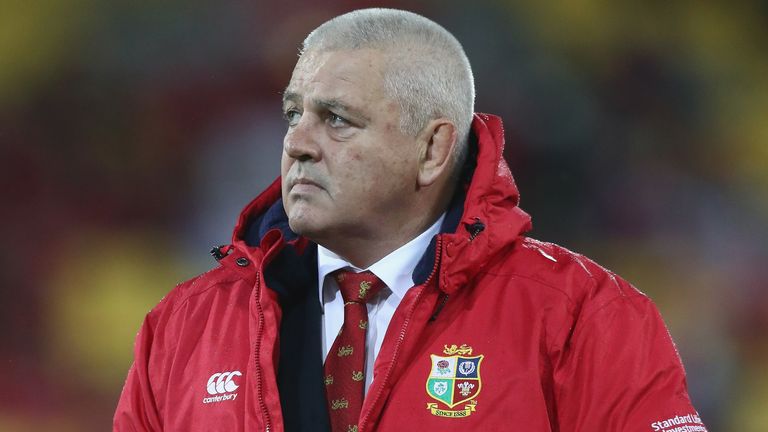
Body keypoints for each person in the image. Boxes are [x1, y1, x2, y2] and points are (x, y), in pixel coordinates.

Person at [114, 8, 708, 432]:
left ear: (431, 150)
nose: (297, 143)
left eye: (337, 119)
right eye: (293, 114)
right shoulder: (183, 327)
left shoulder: (580, 315)